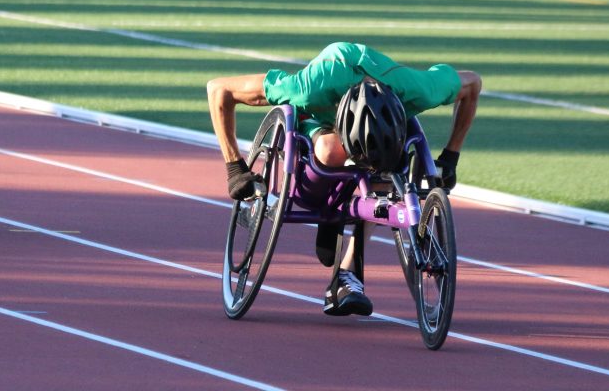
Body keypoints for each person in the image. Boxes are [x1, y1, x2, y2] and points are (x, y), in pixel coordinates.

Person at [206, 42, 482, 316]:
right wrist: (235, 168)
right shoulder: (308, 88)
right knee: (329, 152)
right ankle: (331, 207)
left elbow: (472, 84)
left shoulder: (418, 90)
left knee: (390, 168)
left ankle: (348, 268)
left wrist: (450, 157)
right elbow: (218, 89)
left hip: (386, 103)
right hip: (322, 118)